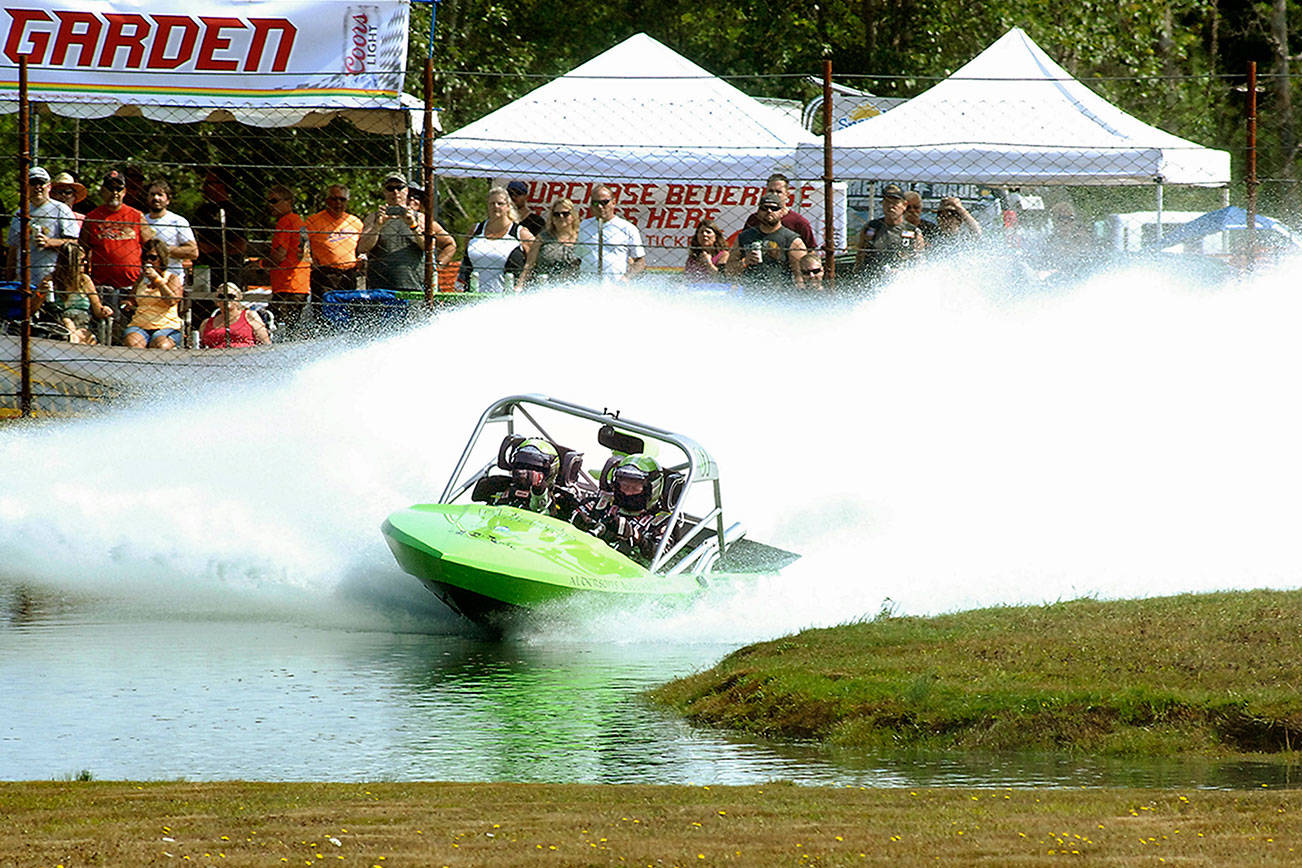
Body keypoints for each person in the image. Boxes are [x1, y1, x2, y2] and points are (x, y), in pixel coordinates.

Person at [80, 169, 154, 343]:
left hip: (131, 285)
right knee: (104, 332)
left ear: (124, 192)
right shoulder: (92, 218)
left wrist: (146, 274)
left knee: (129, 331)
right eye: (110, 188)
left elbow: (152, 248)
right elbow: (82, 250)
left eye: (118, 189)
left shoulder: (136, 216)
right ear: (102, 191)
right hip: (102, 285)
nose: (114, 193)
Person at [572, 453, 679, 564]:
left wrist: (636, 537)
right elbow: (573, 516)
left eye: (634, 488)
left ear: (651, 488)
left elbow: (661, 556)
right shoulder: (600, 505)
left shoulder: (663, 523)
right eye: (624, 486)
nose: (627, 492)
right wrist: (586, 522)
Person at [356, 172, 455, 293]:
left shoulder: (421, 218)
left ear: (407, 190)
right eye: (390, 188)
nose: (395, 192)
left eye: (399, 187)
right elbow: (362, 248)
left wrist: (413, 226)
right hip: (380, 287)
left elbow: (432, 246)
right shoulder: (373, 218)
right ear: (384, 192)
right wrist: (377, 226)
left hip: (414, 286)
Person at [6, 166, 80, 285]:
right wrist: (9, 280)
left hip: (53, 279)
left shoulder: (61, 210)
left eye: (42, 183)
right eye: (33, 183)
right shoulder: (19, 213)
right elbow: (13, 250)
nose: (38, 187)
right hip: (23, 280)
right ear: (26, 186)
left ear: (49, 186)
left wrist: (50, 242)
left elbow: (75, 243)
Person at [457, 185, 533, 293]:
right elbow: (465, 261)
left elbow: (533, 261)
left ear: (508, 206)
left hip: (507, 296)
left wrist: (521, 283)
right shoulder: (475, 230)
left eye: (500, 203)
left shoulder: (520, 233)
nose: (495, 206)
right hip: (474, 294)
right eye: (492, 203)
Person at [726, 192, 807, 289]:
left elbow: (801, 275)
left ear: (782, 212)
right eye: (764, 208)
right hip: (750, 294)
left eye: (774, 208)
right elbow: (729, 271)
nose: (769, 211)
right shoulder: (745, 236)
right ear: (758, 212)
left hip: (780, 295)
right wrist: (745, 262)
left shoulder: (792, 240)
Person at [36, 243, 108, 344]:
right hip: (59, 326)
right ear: (71, 262)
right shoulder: (51, 280)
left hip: (82, 325)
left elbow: (98, 310)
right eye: (82, 260)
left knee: (82, 335)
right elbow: (33, 308)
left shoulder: (85, 280)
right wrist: (41, 294)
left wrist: (104, 310)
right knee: (68, 323)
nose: (86, 263)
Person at [262, 184, 311, 332]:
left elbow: (279, 255)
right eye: (269, 201)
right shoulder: (299, 221)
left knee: (278, 330)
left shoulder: (285, 222)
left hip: (287, 287)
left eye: (274, 201)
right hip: (300, 286)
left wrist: (260, 264)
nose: (270, 205)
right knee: (293, 329)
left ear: (288, 202)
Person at [305, 184, 363, 301]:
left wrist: (362, 258)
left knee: (348, 311)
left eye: (342, 199)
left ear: (347, 201)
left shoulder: (355, 222)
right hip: (324, 275)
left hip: (349, 274)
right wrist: (309, 261)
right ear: (327, 200)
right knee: (324, 311)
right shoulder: (313, 221)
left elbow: (363, 247)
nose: (338, 203)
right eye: (334, 199)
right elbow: (302, 245)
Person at [122, 238, 184, 349]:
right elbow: (132, 299)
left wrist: (157, 280)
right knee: (133, 344)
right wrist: (128, 303)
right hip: (140, 325)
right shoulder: (141, 279)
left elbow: (172, 301)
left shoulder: (172, 278)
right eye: (145, 258)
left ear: (161, 258)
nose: (148, 262)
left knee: (161, 345)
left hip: (166, 326)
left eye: (153, 258)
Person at [576, 185, 645, 282]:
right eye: (595, 203)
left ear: (614, 202)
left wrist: (627, 277)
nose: (600, 207)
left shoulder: (627, 228)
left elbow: (640, 261)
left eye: (604, 202)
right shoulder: (584, 226)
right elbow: (579, 257)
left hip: (616, 286)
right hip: (588, 285)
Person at [853, 183, 923, 278]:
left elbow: (919, 262)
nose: (890, 206)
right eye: (887, 202)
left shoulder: (913, 231)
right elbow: (860, 256)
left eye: (895, 203)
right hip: (872, 277)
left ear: (904, 205)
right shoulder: (872, 227)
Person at [193, 167, 247, 288]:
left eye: (209, 183)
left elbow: (240, 246)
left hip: (226, 272)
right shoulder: (202, 211)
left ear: (222, 185)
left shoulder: (234, 212)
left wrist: (211, 248)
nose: (204, 187)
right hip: (202, 270)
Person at [742, 173, 817, 250]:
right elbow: (741, 246)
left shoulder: (799, 222)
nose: (774, 194)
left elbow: (810, 251)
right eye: (770, 191)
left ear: (787, 194)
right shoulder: (754, 218)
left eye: (778, 192)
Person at [143, 180, 198, 282]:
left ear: (168, 200)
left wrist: (162, 250)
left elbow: (193, 252)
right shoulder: (141, 220)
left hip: (172, 279)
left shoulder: (178, 221)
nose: (156, 198)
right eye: (152, 194)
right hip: (145, 279)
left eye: (160, 194)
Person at [491, 438, 562, 514]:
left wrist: (539, 490)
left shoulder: (562, 501)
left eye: (534, 468)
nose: (523, 473)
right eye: (521, 466)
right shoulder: (494, 486)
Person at [520, 197, 581, 286]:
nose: (561, 217)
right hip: (544, 285)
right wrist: (520, 284)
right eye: (556, 214)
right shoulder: (542, 237)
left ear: (573, 216)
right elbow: (529, 264)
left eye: (565, 214)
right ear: (552, 218)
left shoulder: (582, 237)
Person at [199, 282, 271, 349]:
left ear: (238, 299)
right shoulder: (206, 323)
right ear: (217, 301)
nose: (225, 300)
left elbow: (265, 343)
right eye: (221, 297)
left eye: (230, 296)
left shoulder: (249, 316)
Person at [683, 218, 730, 282]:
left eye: (708, 232)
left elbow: (721, 278)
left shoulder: (723, 255)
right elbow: (686, 279)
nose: (704, 234)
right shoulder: (693, 256)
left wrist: (708, 263)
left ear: (716, 236)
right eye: (701, 232)